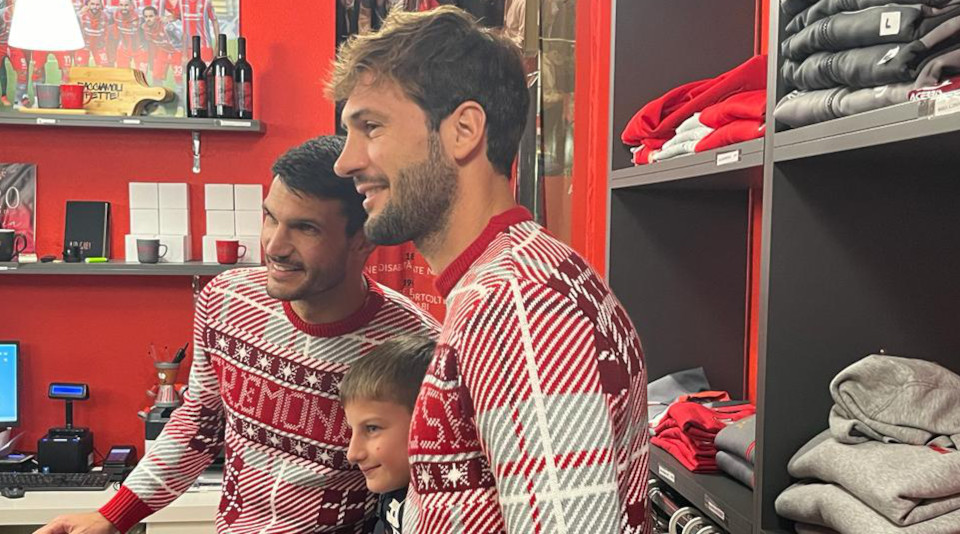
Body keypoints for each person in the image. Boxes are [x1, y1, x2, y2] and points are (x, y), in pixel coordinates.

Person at [331, 7, 650, 534]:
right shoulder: (512, 279)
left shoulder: (516, 303)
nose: (345, 162)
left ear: (463, 130)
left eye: (371, 127)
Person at [34, 136, 442, 534]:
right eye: (270, 218)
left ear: (363, 240)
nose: (275, 246)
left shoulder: (416, 344)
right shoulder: (225, 300)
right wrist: (112, 516)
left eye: (305, 228)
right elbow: (199, 424)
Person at [341, 335, 436, 534]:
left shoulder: (444, 512)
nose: (352, 454)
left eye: (372, 428)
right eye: (353, 430)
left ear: (428, 421)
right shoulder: (393, 489)